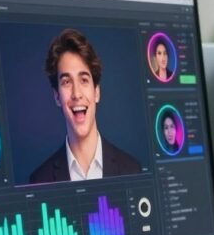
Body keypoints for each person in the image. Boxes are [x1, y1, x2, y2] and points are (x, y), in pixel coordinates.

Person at [29, 28, 143, 183]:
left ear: (96, 92)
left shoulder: (132, 171)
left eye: (83, 80)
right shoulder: (41, 180)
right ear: (56, 96)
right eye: (66, 82)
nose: (77, 94)